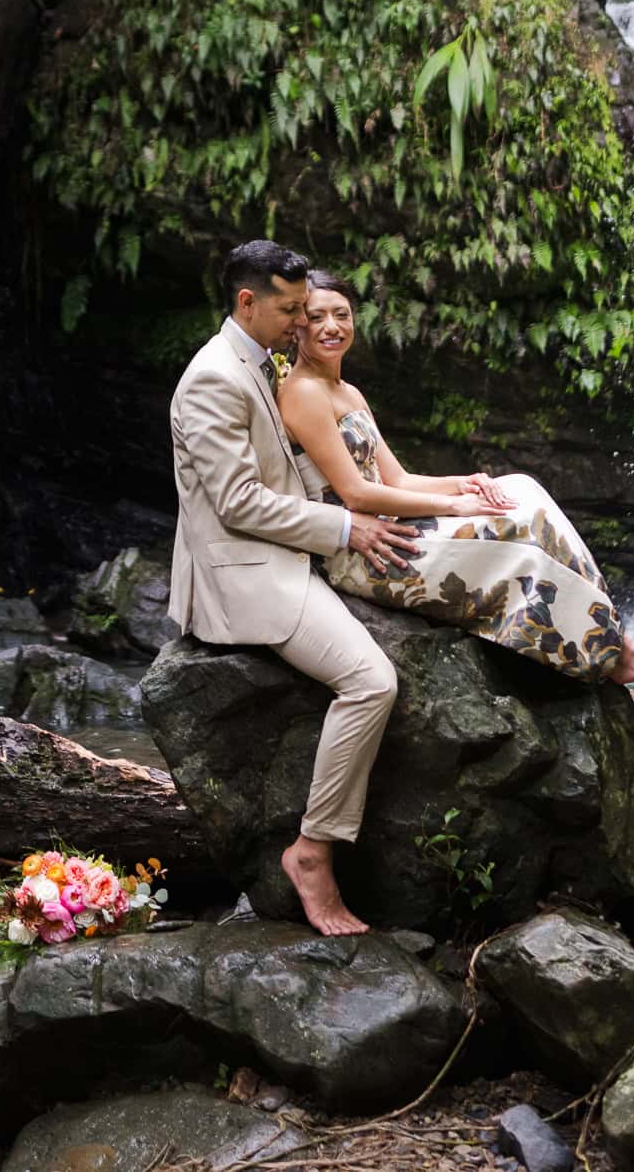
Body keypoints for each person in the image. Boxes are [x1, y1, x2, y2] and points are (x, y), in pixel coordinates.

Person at [168, 239, 422, 936]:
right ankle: (312, 851)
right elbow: (239, 503)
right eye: (289, 309)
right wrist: (345, 527)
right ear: (247, 302)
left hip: (294, 549)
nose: (302, 322)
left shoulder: (264, 358)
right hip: (250, 574)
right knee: (372, 681)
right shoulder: (213, 378)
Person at [278, 270, 634, 684]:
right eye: (316, 318)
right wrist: (455, 505)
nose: (332, 327)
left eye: (342, 314)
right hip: (365, 554)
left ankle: (613, 638)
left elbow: (399, 479)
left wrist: (464, 481)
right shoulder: (304, 393)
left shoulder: (347, 391)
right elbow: (356, 494)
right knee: (525, 546)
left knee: (521, 488)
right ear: (295, 325)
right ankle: (614, 652)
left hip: (390, 529)